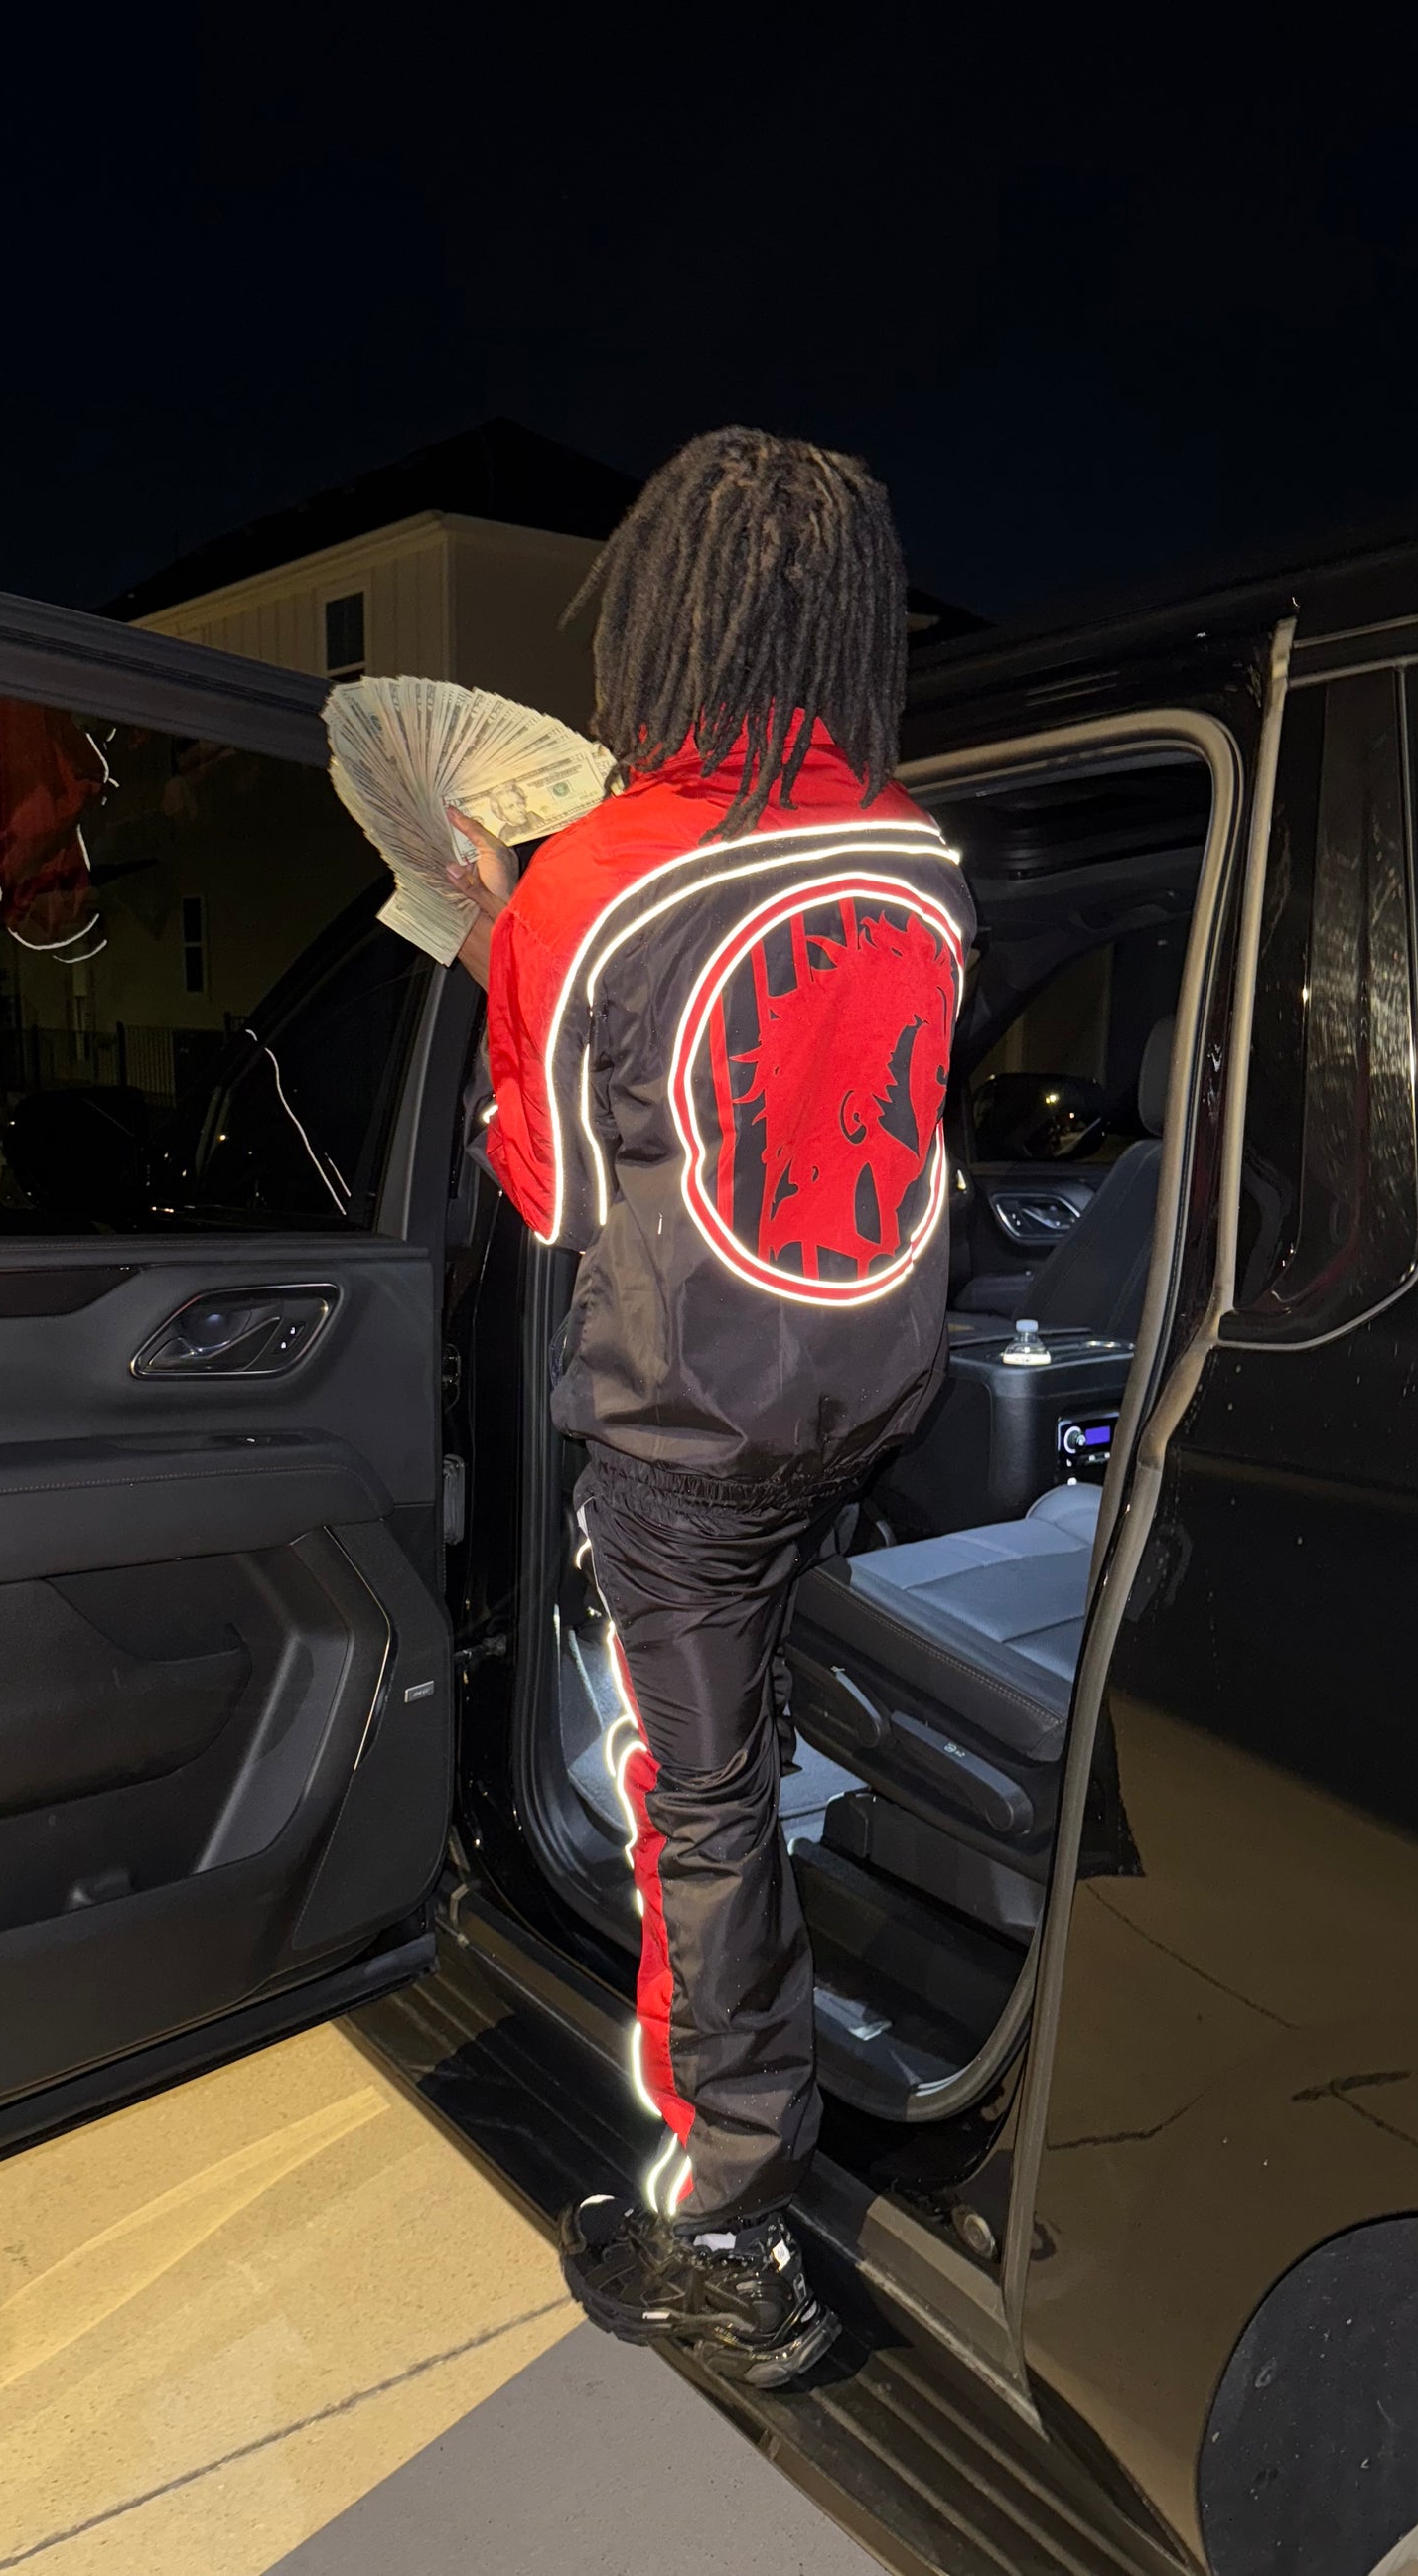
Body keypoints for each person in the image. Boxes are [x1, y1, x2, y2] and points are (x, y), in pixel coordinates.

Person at [445, 427, 974, 2387]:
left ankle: (732, 2220)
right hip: (869, 1380)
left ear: (663, 610)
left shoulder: (589, 877)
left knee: (703, 1805)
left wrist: (499, 934)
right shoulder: (919, 849)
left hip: (685, 1432)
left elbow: (554, 1196)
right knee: (769, 1653)